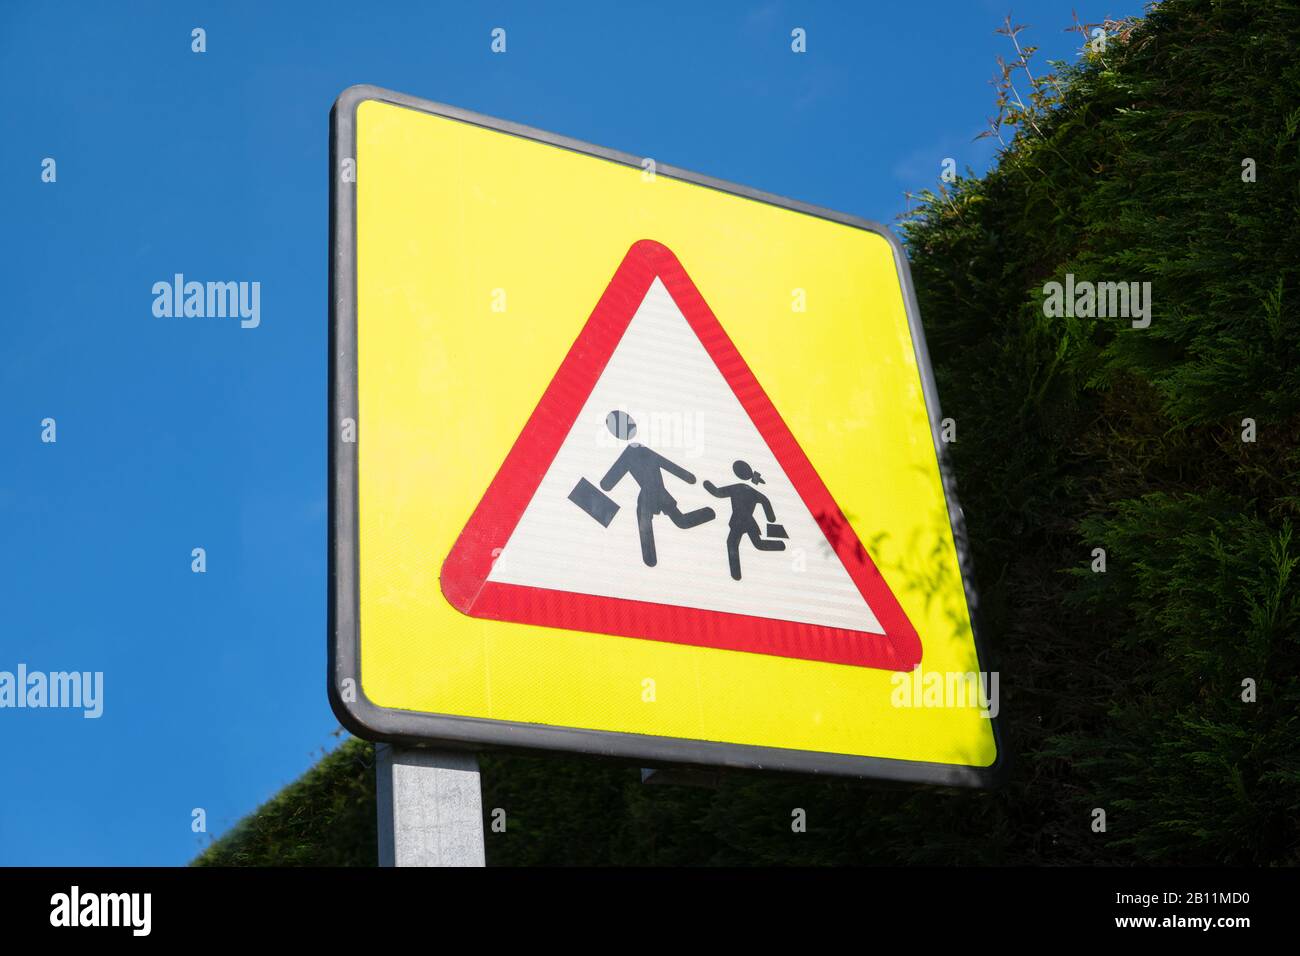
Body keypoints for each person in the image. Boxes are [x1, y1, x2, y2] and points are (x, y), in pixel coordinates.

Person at [599, 410, 715, 567]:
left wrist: (688, 477)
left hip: (653, 492)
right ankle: (650, 557)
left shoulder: (635, 452)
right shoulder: (637, 452)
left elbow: (608, 483)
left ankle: (708, 513)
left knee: (671, 520)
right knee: (667, 519)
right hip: (654, 492)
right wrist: (688, 477)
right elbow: (608, 483)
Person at [703, 460, 785, 581]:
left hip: (740, 522)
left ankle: (736, 574)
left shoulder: (737, 487)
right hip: (748, 522)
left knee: (732, 542)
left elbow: (717, 492)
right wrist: (770, 517)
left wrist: (707, 484)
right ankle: (781, 545)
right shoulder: (753, 491)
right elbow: (765, 501)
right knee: (757, 544)